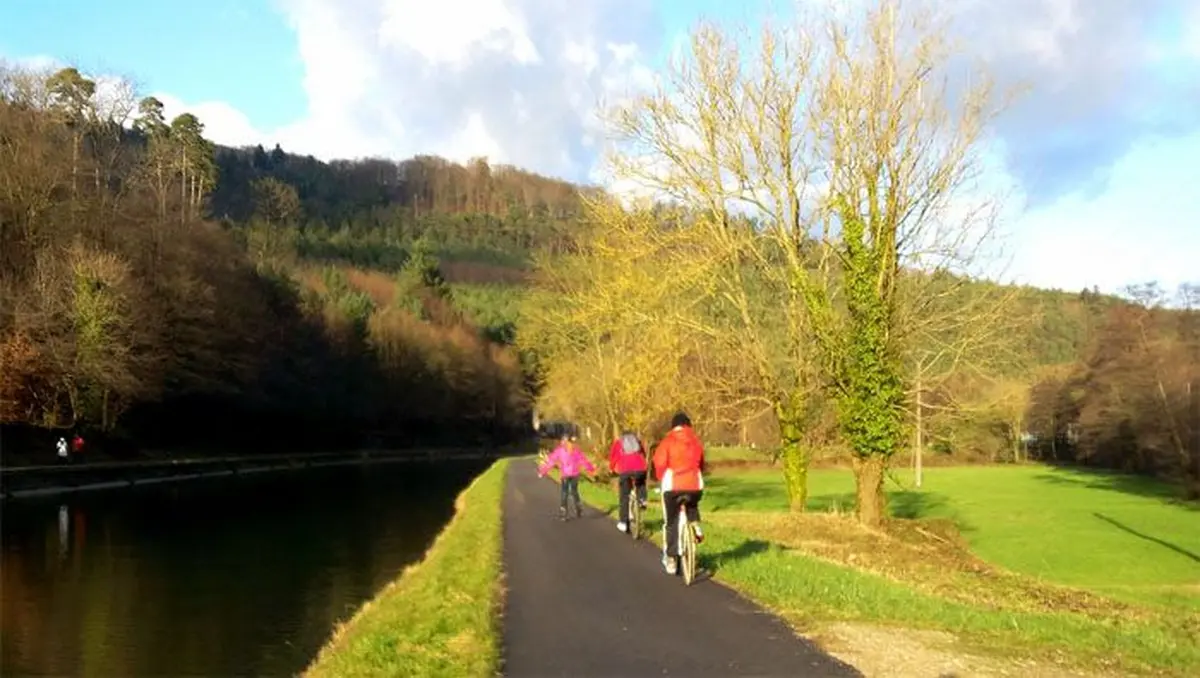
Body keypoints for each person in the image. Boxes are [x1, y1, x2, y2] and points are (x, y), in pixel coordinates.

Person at [652, 411, 706, 575]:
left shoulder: (668, 441)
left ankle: (671, 559)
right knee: (692, 503)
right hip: (695, 484)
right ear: (688, 425)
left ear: (673, 426)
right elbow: (702, 463)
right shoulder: (695, 441)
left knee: (671, 521)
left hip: (673, 485)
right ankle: (695, 525)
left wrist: (661, 477)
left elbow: (659, 462)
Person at [537, 435, 595, 520]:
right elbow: (583, 461)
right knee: (574, 491)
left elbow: (551, 462)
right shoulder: (575, 450)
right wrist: (591, 469)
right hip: (575, 474)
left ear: (563, 441)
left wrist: (542, 471)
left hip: (565, 474)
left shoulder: (560, 451)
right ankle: (578, 507)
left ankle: (563, 512)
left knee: (565, 492)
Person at [608, 429, 648, 533]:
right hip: (640, 468)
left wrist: (611, 469)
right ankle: (642, 499)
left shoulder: (618, 443)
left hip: (625, 470)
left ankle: (623, 523)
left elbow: (613, 457)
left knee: (624, 496)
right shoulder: (637, 441)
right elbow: (643, 453)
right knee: (641, 482)